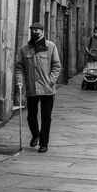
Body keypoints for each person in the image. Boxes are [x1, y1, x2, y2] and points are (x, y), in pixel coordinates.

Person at [15, 22, 61, 153]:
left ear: (43, 32)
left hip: (47, 89)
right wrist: (19, 81)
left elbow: (57, 66)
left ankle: (44, 143)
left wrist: (51, 80)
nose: (35, 33)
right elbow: (19, 67)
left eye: (37, 31)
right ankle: (35, 134)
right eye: (33, 30)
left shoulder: (51, 46)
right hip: (32, 88)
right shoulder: (25, 49)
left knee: (46, 117)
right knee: (31, 116)